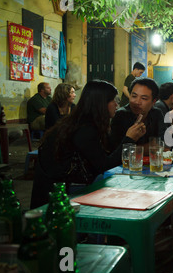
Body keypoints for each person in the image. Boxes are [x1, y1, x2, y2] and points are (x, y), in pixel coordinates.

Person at [30, 80, 145, 209]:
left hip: (67, 185)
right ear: (101, 103)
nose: (117, 105)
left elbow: (108, 152)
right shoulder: (84, 129)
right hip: (59, 196)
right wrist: (129, 139)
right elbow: (104, 165)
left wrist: (130, 136)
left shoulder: (86, 122)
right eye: (114, 100)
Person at [110, 78, 165, 152]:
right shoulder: (121, 115)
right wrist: (149, 147)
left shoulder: (156, 113)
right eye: (134, 96)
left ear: (153, 102)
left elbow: (162, 143)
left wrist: (135, 148)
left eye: (144, 98)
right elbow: (118, 150)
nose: (137, 102)